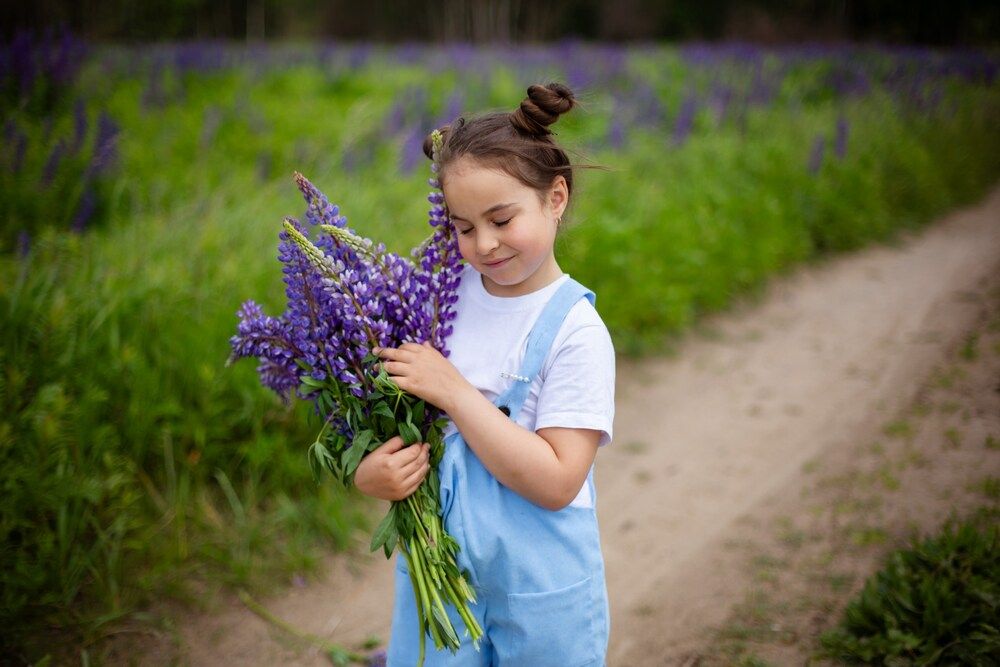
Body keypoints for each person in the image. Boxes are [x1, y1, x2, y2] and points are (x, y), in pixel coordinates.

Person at [355, 81, 615, 666]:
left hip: (539, 584)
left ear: (556, 198)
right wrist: (372, 473)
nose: (484, 244)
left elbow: (557, 482)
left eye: (501, 219)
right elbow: (393, 421)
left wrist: (453, 390)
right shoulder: (439, 298)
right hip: (440, 570)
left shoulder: (576, 331)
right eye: (463, 227)